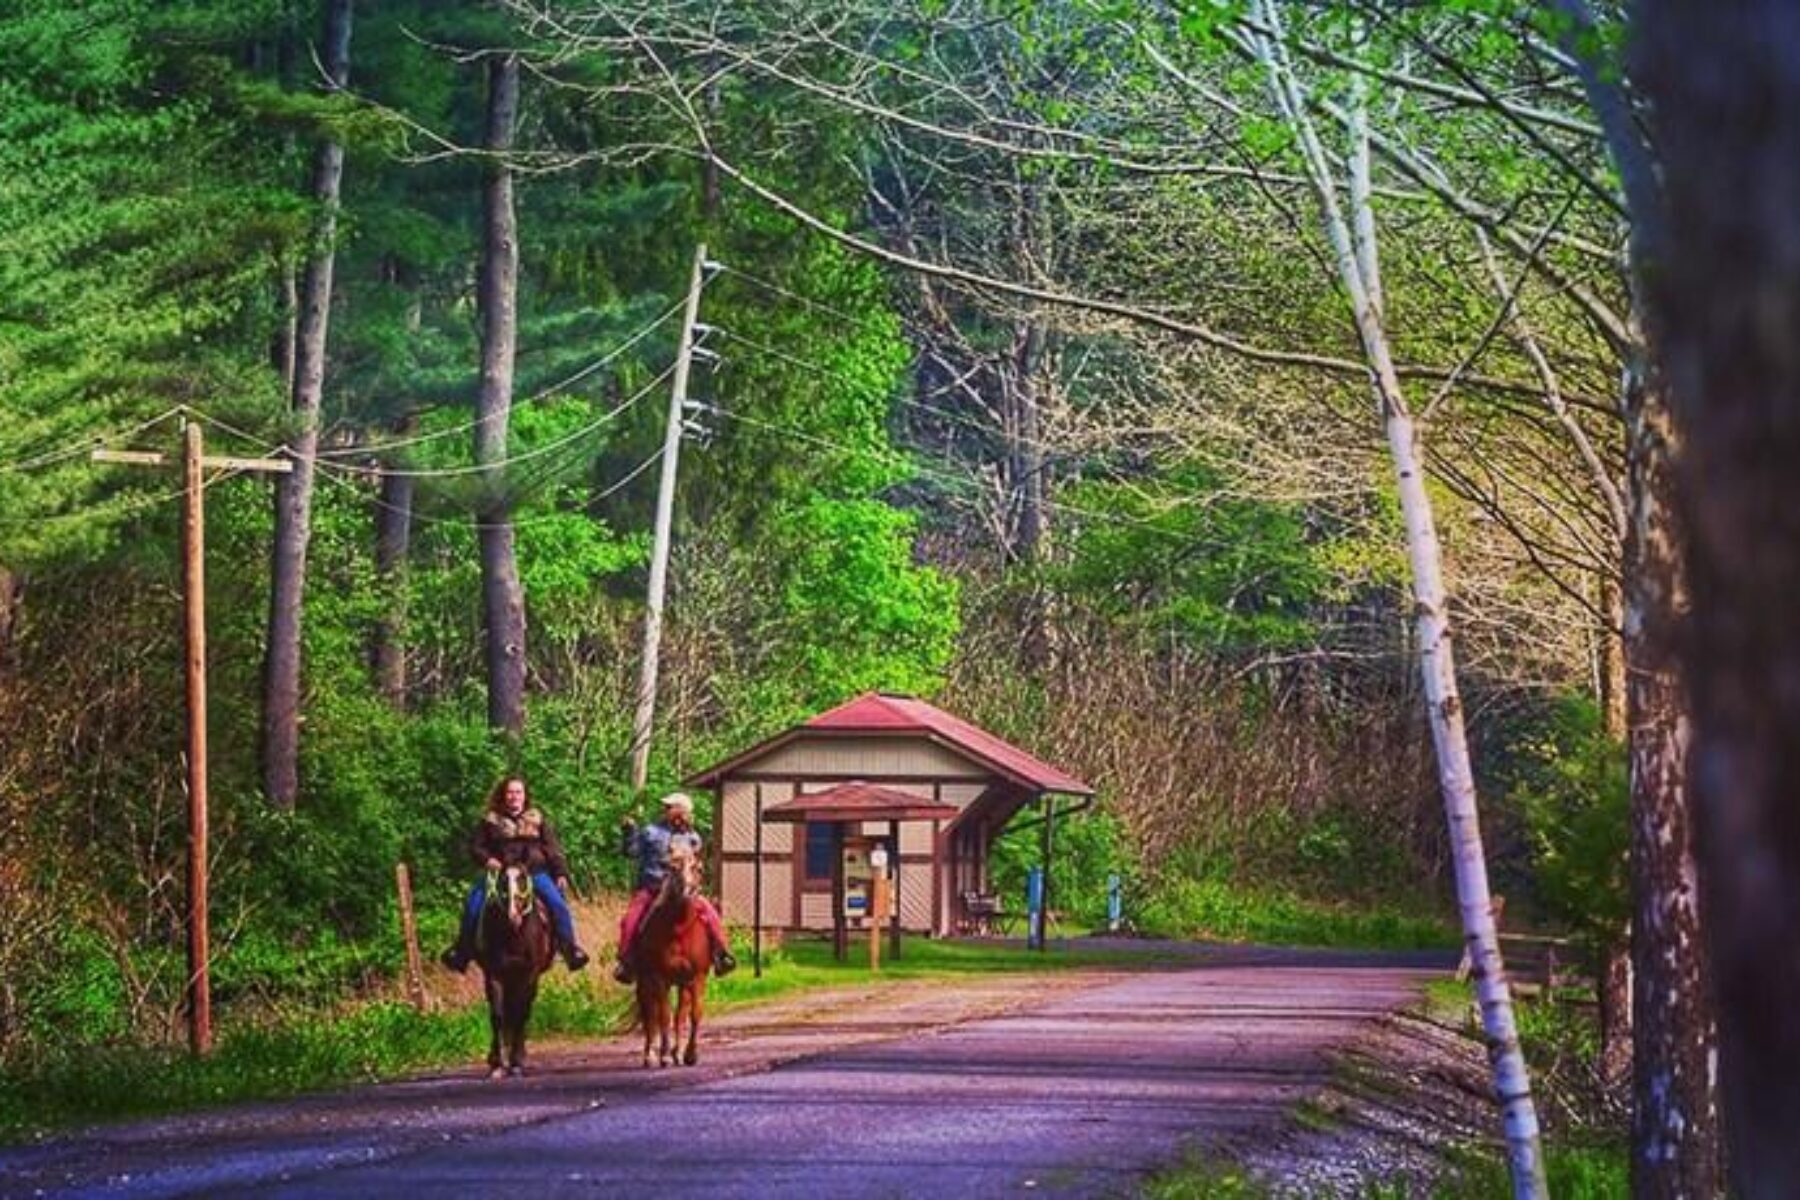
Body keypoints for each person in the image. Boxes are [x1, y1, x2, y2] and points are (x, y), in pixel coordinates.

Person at [440, 777, 590, 973]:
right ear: (504, 795)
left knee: (558, 905)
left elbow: (552, 848)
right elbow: (476, 846)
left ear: (525, 796)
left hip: (534, 872)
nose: (514, 797)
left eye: (518, 792)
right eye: (510, 792)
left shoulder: (537, 818)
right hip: (500, 873)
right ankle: (462, 951)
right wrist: (487, 860)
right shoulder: (491, 820)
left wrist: (560, 872)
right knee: (473, 904)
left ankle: (570, 950)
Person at [613, 791, 736, 983]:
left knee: (711, 914)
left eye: (670, 807)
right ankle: (626, 962)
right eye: (667, 807)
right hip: (653, 886)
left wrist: (697, 871)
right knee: (630, 918)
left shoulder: (693, 837)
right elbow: (631, 852)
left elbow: (697, 864)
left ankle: (722, 954)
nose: (666, 810)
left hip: (685, 890)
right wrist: (629, 833)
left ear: (683, 811)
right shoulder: (651, 832)